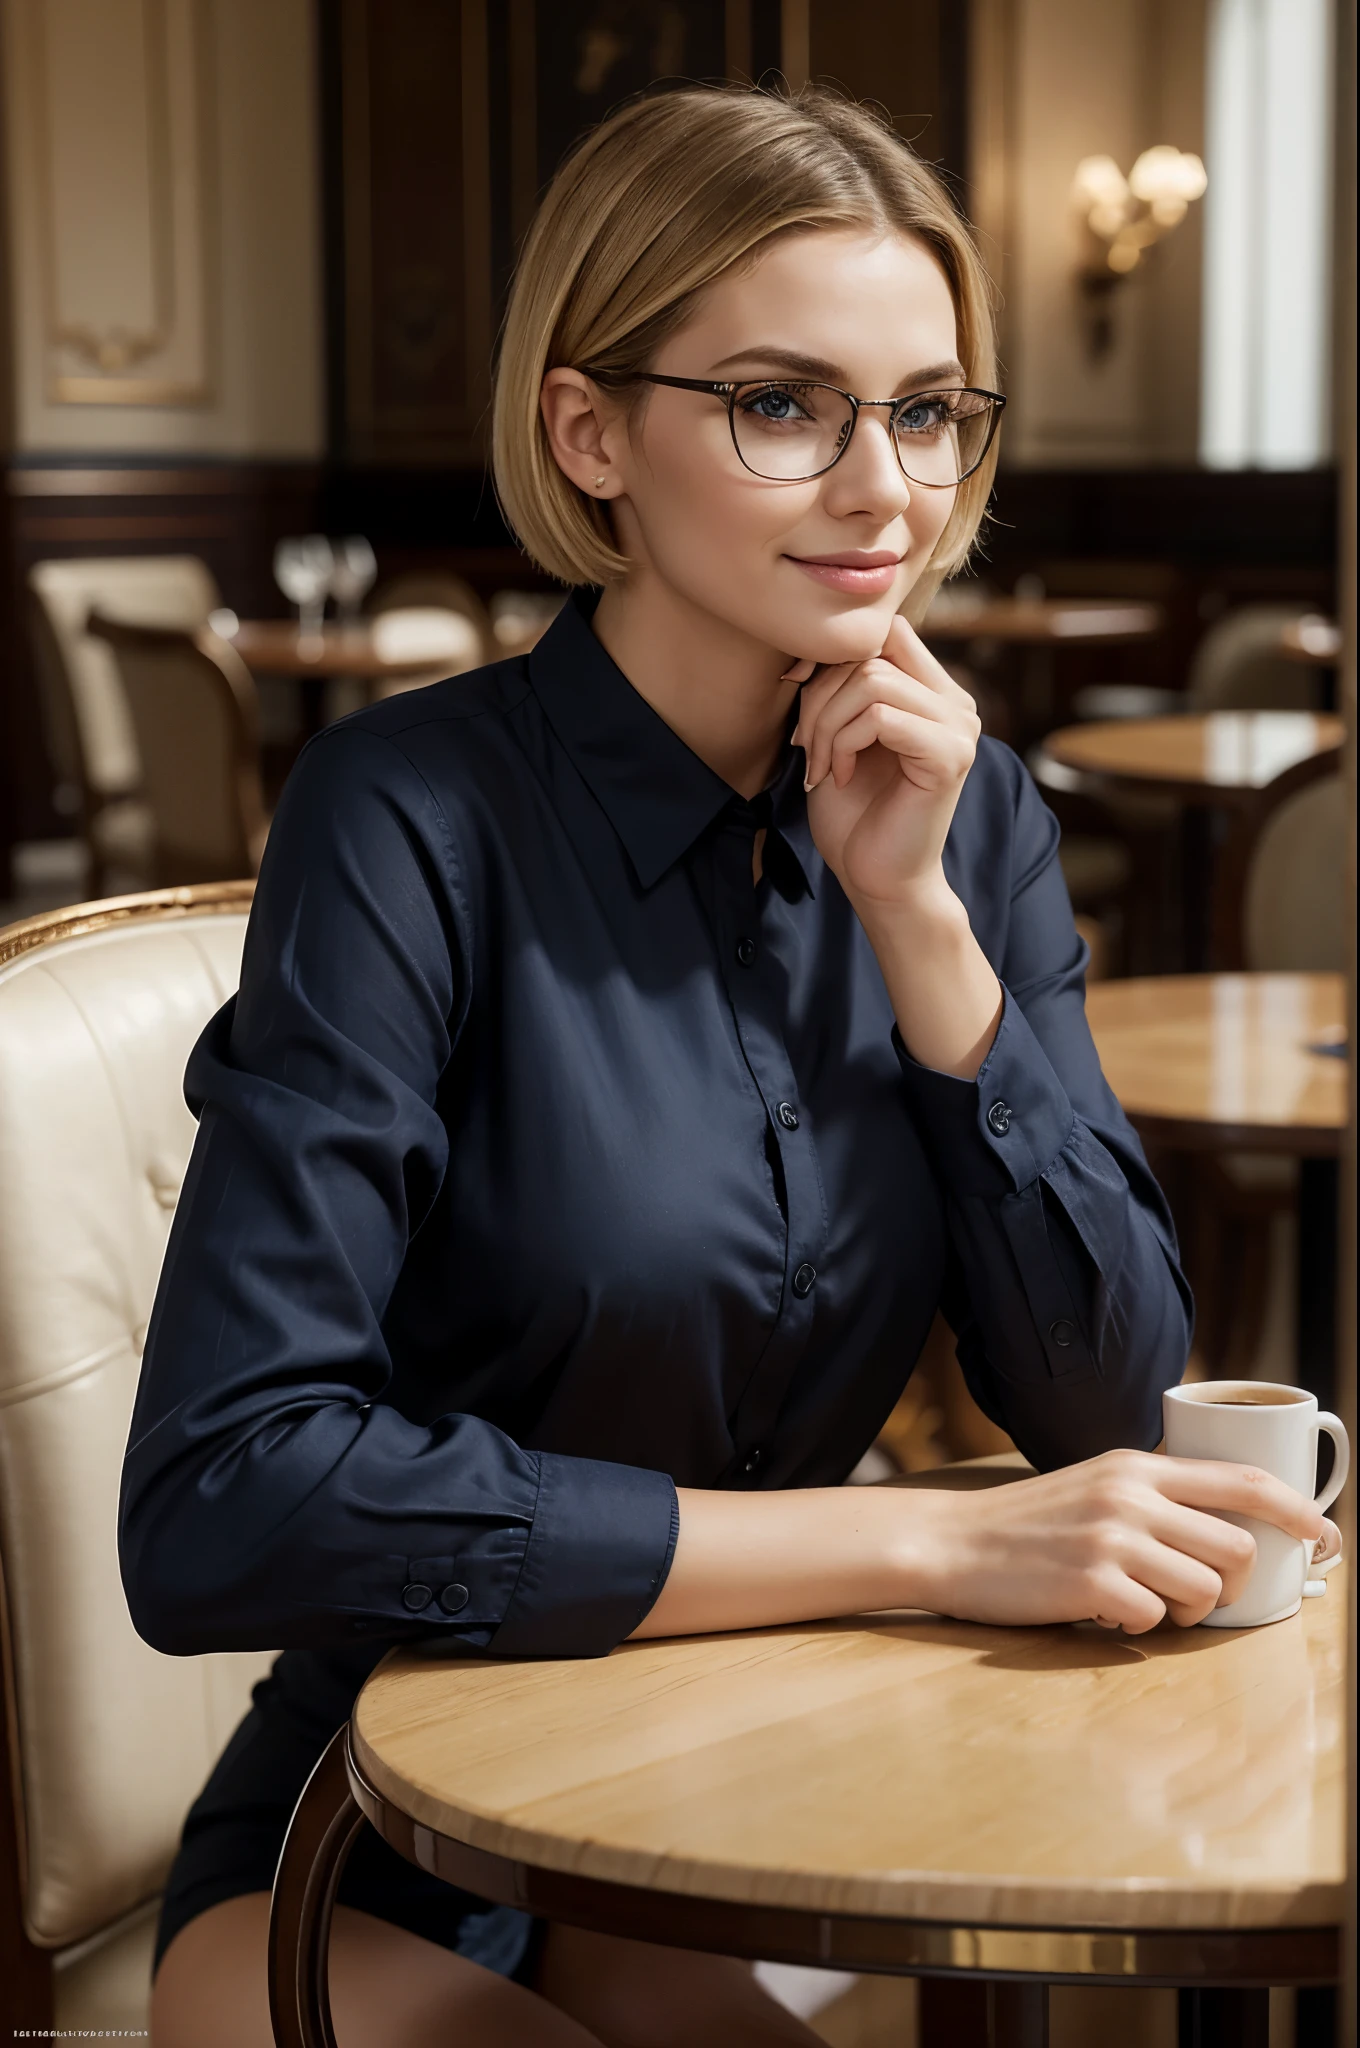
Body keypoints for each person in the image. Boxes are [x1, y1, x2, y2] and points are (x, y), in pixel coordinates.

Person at [123, 83, 1331, 2048]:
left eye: (927, 409)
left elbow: (1102, 1399)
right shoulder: (402, 819)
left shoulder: (975, 821)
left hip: (731, 1801)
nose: (885, 489)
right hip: (366, 1838)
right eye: (785, 404)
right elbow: (224, 1502)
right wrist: (925, 1538)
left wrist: (921, 929)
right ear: (588, 431)